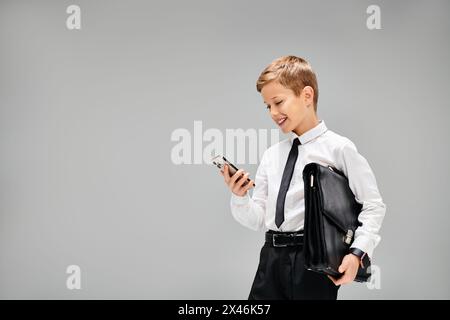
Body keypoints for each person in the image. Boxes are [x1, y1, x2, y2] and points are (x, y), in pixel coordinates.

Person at [220, 55, 386, 300]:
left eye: (278, 102)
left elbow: (373, 206)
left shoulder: (339, 148)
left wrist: (357, 253)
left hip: (313, 260)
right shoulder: (271, 156)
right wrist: (240, 197)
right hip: (271, 259)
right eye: (268, 106)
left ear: (307, 96)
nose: (273, 113)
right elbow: (259, 220)